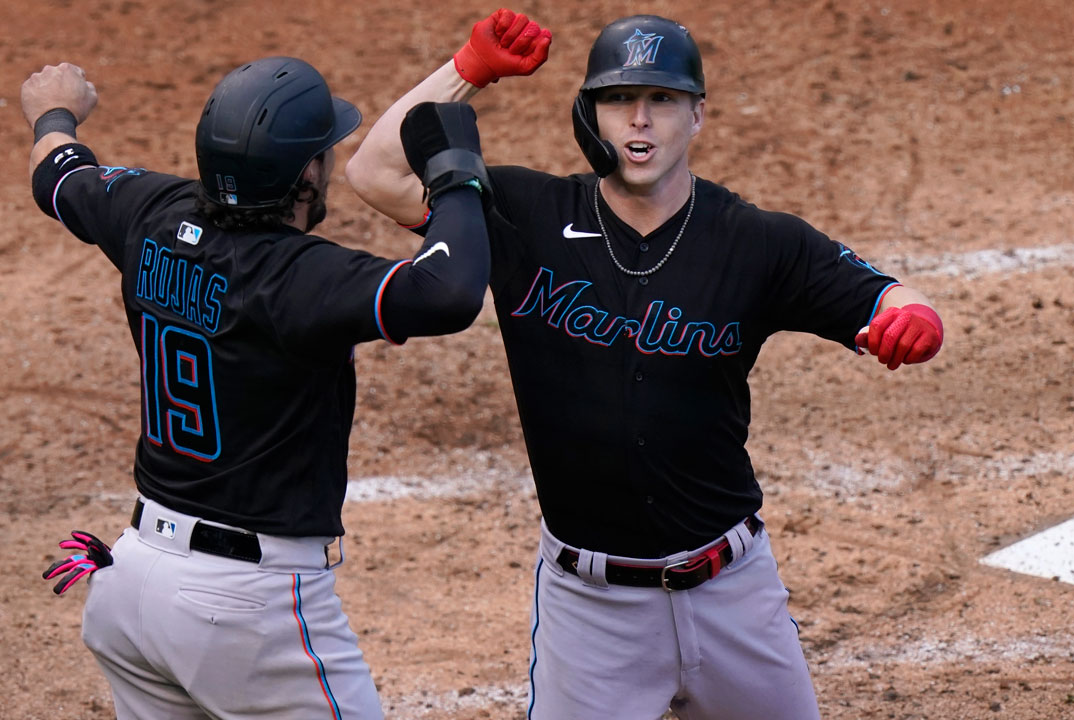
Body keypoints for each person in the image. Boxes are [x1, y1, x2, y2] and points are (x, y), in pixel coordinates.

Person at [346, 10, 943, 720]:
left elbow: (885, 294)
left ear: (696, 115)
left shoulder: (755, 241)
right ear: (588, 114)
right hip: (589, 614)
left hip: (733, 598)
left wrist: (913, 320)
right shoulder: (519, 216)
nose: (639, 121)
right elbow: (374, 171)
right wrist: (468, 69)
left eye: (661, 100)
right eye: (618, 100)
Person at [25, 57, 494, 719]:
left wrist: (55, 110)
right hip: (244, 609)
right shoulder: (295, 276)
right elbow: (447, 294)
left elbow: (58, 173)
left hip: (131, 586)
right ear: (306, 174)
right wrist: (455, 173)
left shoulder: (150, 212)